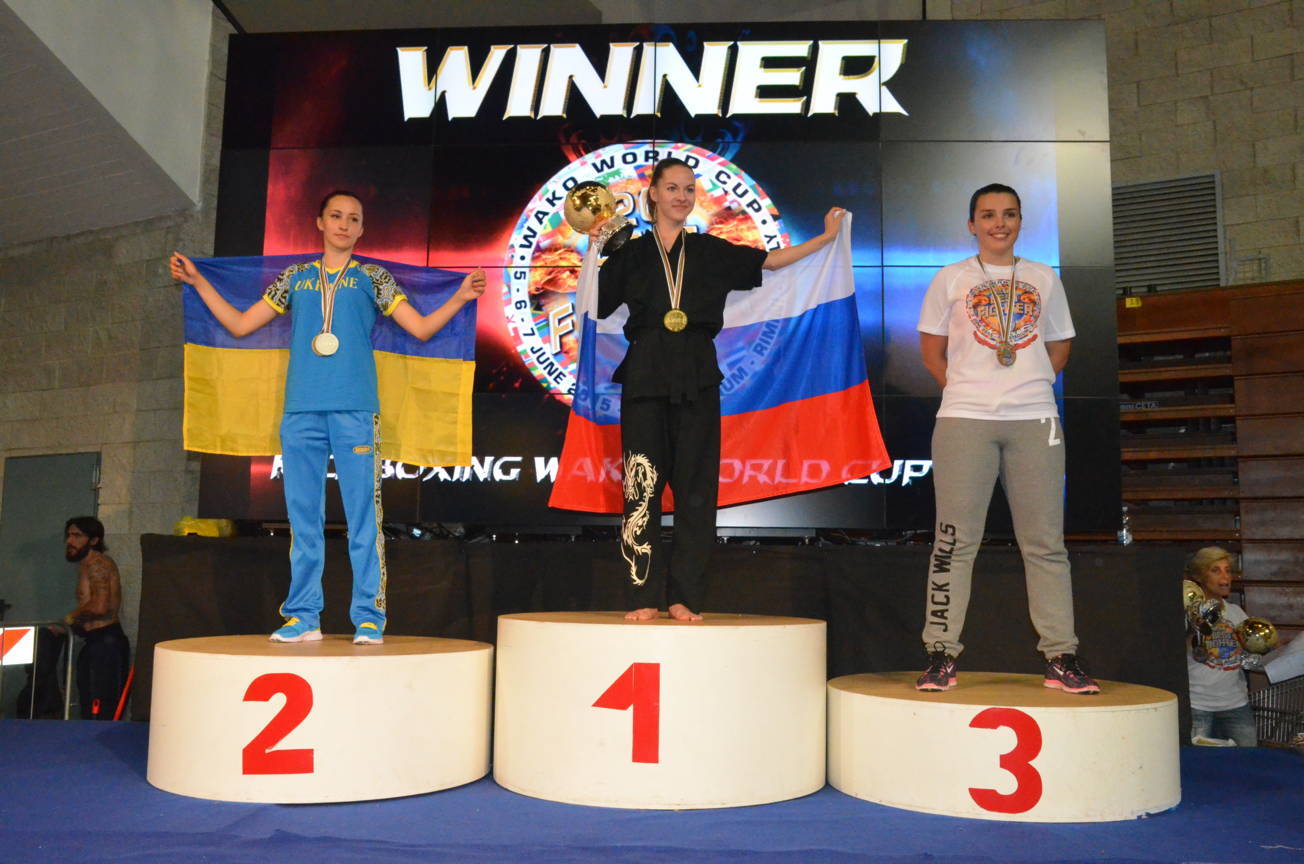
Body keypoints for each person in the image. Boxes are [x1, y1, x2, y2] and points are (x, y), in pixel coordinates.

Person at [170, 191, 486, 644]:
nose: (343, 224)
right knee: (303, 519)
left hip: (355, 409)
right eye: (336, 215)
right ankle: (303, 616)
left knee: (363, 519)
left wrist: (460, 297)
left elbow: (419, 328)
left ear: (362, 229)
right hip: (300, 410)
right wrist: (199, 282)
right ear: (319, 222)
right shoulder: (294, 278)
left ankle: (369, 617)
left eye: (353, 219)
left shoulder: (373, 278)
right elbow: (240, 325)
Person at [592, 157, 845, 622]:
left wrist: (826, 239)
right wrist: (595, 249)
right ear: (653, 194)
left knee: (696, 491)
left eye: (689, 189)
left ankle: (684, 596)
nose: (681, 197)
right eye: (672, 188)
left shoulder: (709, 250)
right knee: (641, 488)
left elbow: (770, 262)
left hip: (698, 376)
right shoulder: (629, 254)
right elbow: (594, 303)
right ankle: (642, 595)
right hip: (645, 375)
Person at [914, 183, 1099, 694]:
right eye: (989, 214)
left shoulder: (1043, 277)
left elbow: (1059, 347)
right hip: (964, 420)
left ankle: (1061, 656)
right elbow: (931, 352)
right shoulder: (950, 278)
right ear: (971, 224)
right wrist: (968, 391)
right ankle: (940, 654)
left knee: (1045, 545)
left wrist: (1027, 386)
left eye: (1009, 214)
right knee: (953, 542)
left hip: (1034, 420)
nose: (999, 223)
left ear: (1020, 221)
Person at [1185, 546, 1257, 746]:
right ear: (1200, 577)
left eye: (1227, 570)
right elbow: (1178, 652)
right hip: (1198, 704)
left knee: (1249, 758)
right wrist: (1195, 628)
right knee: (1199, 761)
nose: (1225, 576)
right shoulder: (1188, 613)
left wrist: (1266, 647)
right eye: (1215, 570)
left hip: (1236, 703)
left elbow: (1248, 654)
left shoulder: (1237, 613)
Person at [61, 517, 130, 720]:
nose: (69, 541)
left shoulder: (97, 564)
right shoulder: (86, 565)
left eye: (77, 536)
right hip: (95, 642)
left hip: (106, 644)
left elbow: (100, 606)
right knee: (89, 705)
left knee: (99, 709)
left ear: (93, 540)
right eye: (68, 535)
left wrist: (70, 618)